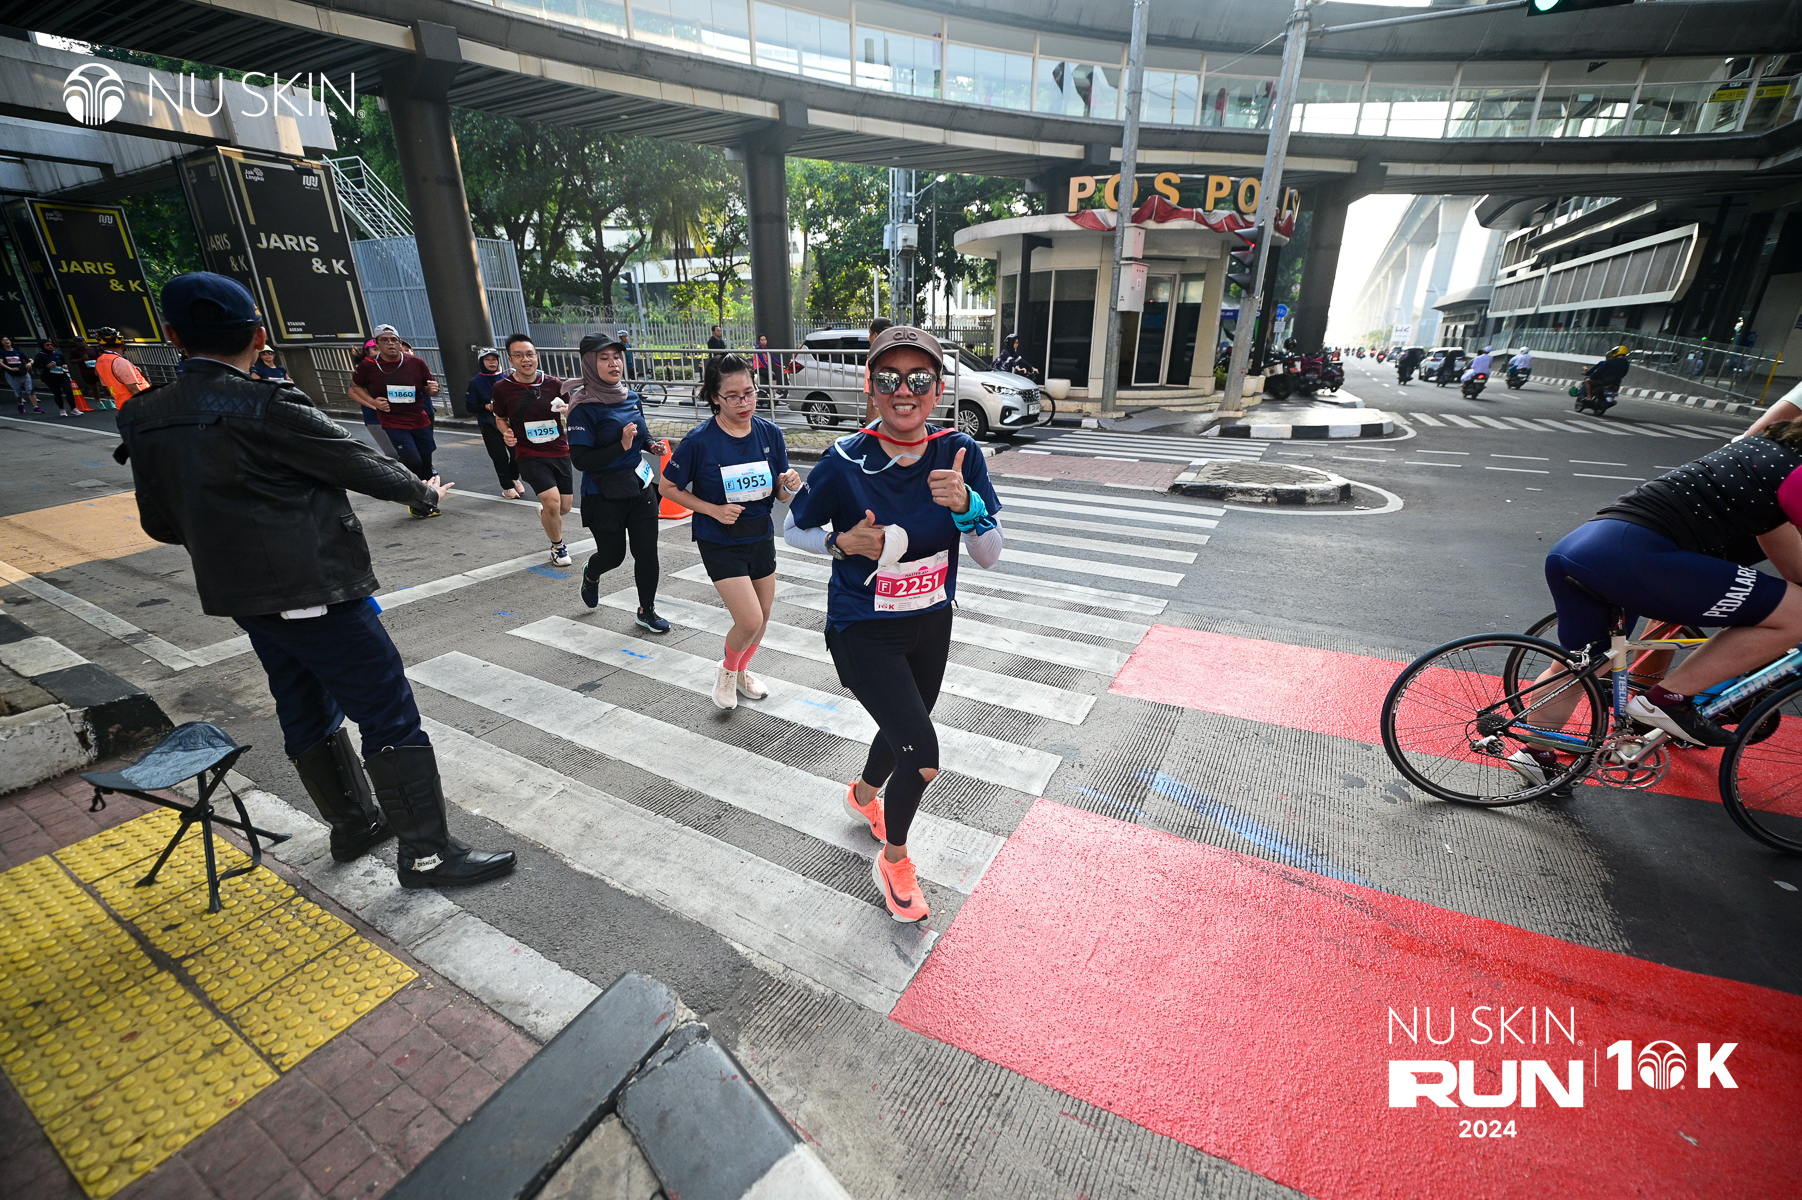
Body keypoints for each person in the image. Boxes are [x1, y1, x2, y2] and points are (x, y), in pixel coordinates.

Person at [115, 272, 513, 889]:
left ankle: (353, 825)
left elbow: (160, 524)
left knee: (301, 702)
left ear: (172, 336)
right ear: (259, 336)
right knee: (387, 713)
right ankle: (428, 854)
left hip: (244, 597)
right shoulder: (267, 404)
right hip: (314, 588)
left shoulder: (144, 415)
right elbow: (361, 464)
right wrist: (424, 493)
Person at [784, 325, 1004, 924]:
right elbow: (794, 528)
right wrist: (838, 543)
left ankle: (863, 796)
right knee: (922, 754)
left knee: (906, 725)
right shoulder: (844, 459)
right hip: (862, 628)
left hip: (930, 622)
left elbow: (990, 556)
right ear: (870, 388)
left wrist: (967, 508)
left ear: (938, 390)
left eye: (918, 379)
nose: (903, 391)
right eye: (888, 379)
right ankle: (896, 860)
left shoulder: (959, 454)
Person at [1520, 427, 1802, 773]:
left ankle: (1534, 755)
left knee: (1584, 665)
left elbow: (1789, 559)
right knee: (1798, 614)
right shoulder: (1796, 474)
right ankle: (1667, 699)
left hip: (1584, 547)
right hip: (1638, 557)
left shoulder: (1762, 455)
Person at [659, 354, 801, 708]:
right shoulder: (700, 441)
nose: (744, 403)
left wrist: (790, 486)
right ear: (715, 397)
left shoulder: (770, 433)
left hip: (760, 534)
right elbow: (667, 487)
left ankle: (740, 671)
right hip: (719, 540)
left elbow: (780, 493)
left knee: (762, 618)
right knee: (748, 619)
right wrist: (713, 510)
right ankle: (726, 672)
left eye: (749, 393)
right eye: (733, 396)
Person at [568, 332, 672, 631]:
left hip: (639, 487)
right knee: (613, 556)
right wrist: (621, 446)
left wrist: (650, 444)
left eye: (617, 357)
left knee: (647, 552)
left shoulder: (631, 397)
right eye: (604, 358)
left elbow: (641, 431)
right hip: (603, 492)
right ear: (590, 363)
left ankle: (646, 610)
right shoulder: (582, 406)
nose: (614, 363)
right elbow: (581, 461)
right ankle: (592, 573)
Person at [490, 334, 574, 567]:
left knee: (564, 507)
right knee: (552, 501)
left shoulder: (555, 384)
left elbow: (571, 410)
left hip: (558, 449)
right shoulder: (502, 388)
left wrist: (568, 411)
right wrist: (506, 432)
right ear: (510, 360)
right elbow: (500, 418)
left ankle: (547, 513)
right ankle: (557, 547)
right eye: (518, 356)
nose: (525, 359)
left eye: (529, 354)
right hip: (528, 452)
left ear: (537, 356)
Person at [350, 325, 441, 516]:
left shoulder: (415, 362)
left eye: (394, 340)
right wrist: (373, 402)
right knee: (412, 459)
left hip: (420, 419)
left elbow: (428, 387)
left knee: (425, 461)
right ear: (377, 343)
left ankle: (428, 500)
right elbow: (355, 388)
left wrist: (433, 390)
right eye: (384, 340)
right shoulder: (368, 365)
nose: (390, 343)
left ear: (400, 343)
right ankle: (415, 501)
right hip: (393, 421)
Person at [464, 347, 522, 498]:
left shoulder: (507, 379)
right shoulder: (475, 382)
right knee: (500, 456)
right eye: (487, 359)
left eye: (494, 359)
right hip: (488, 423)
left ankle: (514, 477)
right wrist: (486, 407)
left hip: (509, 422)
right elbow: (470, 406)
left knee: (517, 453)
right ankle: (507, 486)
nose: (492, 362)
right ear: (481, 362)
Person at [94, 329, 151, 407]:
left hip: (122, 404)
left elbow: (108, 386)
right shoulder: (120, 362)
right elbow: (133, 389)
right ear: (122, 345)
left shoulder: (100, 361)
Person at [33, 340, 78, 417]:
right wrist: (46, 366)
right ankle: (62, 409)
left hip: (61, 374)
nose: (50, 346)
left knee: (68, 390)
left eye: (51, 344)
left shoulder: (58, 354)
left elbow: (63, 362)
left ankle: (73, 408)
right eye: (47, 345)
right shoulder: (39, 355)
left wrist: (64, 365)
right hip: (50, 376)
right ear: (43, 346)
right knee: (57, 393)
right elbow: (36, 365)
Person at [3, 336, 40, 413]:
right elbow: (0, 362)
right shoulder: (2, 352)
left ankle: (36, 407)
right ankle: (20, 403)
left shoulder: (18, 352)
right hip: (12, 375)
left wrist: (30, 363)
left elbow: (30, 359)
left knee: (30, 390)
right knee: (18, 392)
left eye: (7, 339)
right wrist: (9, 368)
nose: (6, 341)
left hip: (23, 373)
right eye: (4, 340)